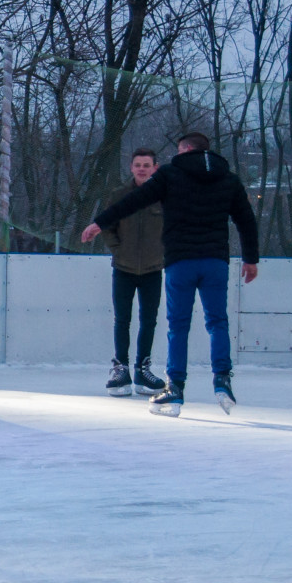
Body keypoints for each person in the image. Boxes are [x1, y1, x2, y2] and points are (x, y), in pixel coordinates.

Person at [81, 132, 260, 416]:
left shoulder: (171, 174)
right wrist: (251, 259)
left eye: (179, 149)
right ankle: (222, 380)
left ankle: (175, 389)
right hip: (215, 261)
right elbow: (246, 220)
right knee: (218, 322)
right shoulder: (228, 178)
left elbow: (135, 201)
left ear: (186, 149)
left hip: (181, 261)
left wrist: (100, 223)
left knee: (179, 326)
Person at [97, 148, 165, 397]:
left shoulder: (163, 196)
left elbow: (173, 228)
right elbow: (106, 224)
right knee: (122, 319)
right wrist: (118, 249)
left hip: (153, 269)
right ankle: (120, 368)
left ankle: (142, 369)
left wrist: (163, 253)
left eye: (147, 165)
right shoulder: (119, 195)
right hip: (123, 268)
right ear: (131, 167)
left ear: (155, 167)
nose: (142, 169)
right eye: (138, 165)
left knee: (149, 320)